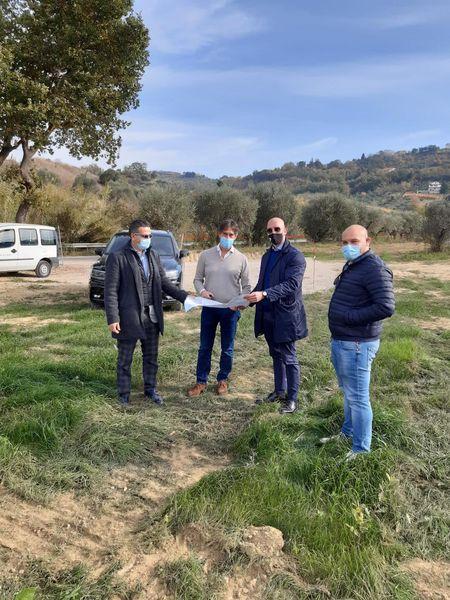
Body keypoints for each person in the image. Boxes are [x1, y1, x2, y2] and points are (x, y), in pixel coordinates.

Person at [323, 224, 395, 460]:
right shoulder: (355, 264)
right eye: (344, 242)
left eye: (354, 241)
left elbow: (385, 306)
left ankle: (361, 450)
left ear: (368, 241)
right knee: (349, 393)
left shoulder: (374, 268)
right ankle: (348, 433)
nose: (348, 246)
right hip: (344, 340)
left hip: (357, 343)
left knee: (358, 398)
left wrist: (350, 317)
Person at [104, 219, 191, 406]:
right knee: (125, 359)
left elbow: (165, 283)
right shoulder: (118, 257)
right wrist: (113, 318)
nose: (148, 238)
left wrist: (185, 297)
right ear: (133, 236)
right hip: (129, 318)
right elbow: (110, 290)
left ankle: (150, 389)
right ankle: (123, 394)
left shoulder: (153, 256)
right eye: (145, 236)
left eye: (150, 235)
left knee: (151, 357)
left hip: (152, 316)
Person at [245, 217, 307, 414]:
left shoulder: (295, 256)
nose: (273, 233)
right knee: (275, 355)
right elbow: (261, 284)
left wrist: (264, 294)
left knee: (289, 357)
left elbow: (292, 285)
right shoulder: (267, 256)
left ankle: (292, 399)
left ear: (285, 230)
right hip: (268, 313)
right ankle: (279, 391)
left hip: (286, 315)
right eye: (270, 230)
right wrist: (246, 301)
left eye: (277, 229)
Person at [187, 219, 251, 397]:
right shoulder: (206, 255)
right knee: (204, 347)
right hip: (209, 308)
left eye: (231, 235)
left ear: (236, 236)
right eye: (225, 234)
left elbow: (246, 287)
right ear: (219, 234)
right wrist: (202, 291)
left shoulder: (241, 259)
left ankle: (223, 380)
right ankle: (201, 382)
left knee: (227, 348)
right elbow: (197, 279)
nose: (228, 237)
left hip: (230, 311)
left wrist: (241, 303)